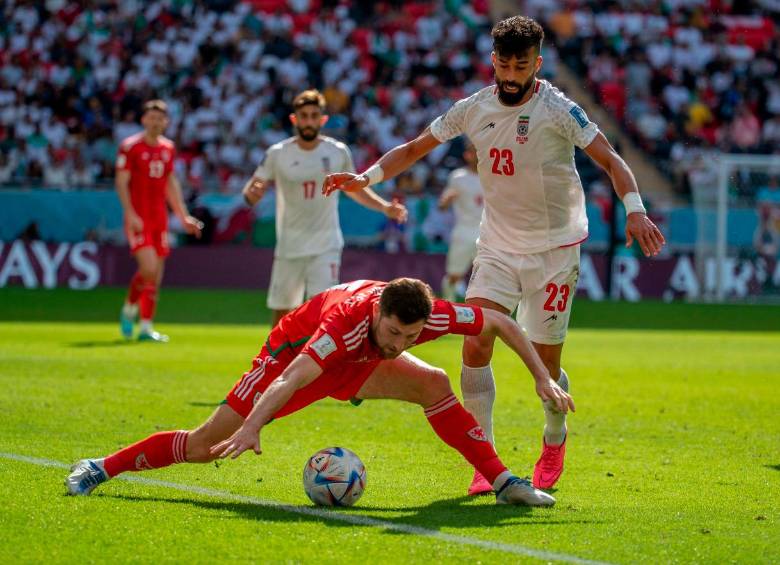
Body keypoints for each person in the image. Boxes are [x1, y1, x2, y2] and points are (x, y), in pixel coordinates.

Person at [323, 16, 666, 495]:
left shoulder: (560, 109)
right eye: (502, 63)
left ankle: (554, 435)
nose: (509, 74)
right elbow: (416, 147)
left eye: (519, 65)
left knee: (545, 368)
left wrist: (635, 210)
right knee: (475, 341)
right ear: (493, 60)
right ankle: (485, 460)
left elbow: (612, 159)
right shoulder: (473, 107)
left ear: (537, 64)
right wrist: (367, 177)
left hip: (554, 250)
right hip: (497, 248)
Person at [65, 278, 574, 507]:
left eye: (411, 337)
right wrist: (251, 426)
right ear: (378, 314)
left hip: (354, 365)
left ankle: (505, 482)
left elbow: (501, 322)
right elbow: (291, 379)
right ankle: (101, 467)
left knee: (434, 383)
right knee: (203, 448)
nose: (401, 345)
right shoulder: (345, 324)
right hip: (291, 358)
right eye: (394, 333)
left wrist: (540, 376)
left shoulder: (426, 315)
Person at [242, 89, 408, 327]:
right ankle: (276, 363)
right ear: (294, 119)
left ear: (322, 120)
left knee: (323, 310)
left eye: (313, 116)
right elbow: (252, 189)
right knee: (282, 313)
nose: (308, 121)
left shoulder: (337, 151)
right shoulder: (278, 153)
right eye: (304, 115)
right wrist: (252, 195)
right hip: (290, 244)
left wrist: (384, 207)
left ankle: (317, 363)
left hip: (325, 244)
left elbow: (354, 189)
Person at [116, 100, 203, 342]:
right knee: (148, 268)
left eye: (160, 118)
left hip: (159, 218)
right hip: (139, 218)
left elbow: (170, 183)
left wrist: (183, 215)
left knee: (156, 275)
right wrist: (130, 214)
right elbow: (121, 182)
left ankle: (145, 327)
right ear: (144, 120)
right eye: (151, 117)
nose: (155, 122)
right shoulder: (130, 147)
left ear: (166, 122)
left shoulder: (168, 148)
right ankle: (128, 309)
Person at [437, 142, 483, 301]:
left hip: (487, 233)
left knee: (486, 277)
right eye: (472, 151)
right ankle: (447, 305)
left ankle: (484, 312)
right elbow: (443, 203)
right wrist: (445, 200)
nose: (476, 155)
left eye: (479, 151)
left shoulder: (492, 176)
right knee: (454, 275)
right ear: (467, 155)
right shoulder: (458, 176)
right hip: (463, 230)